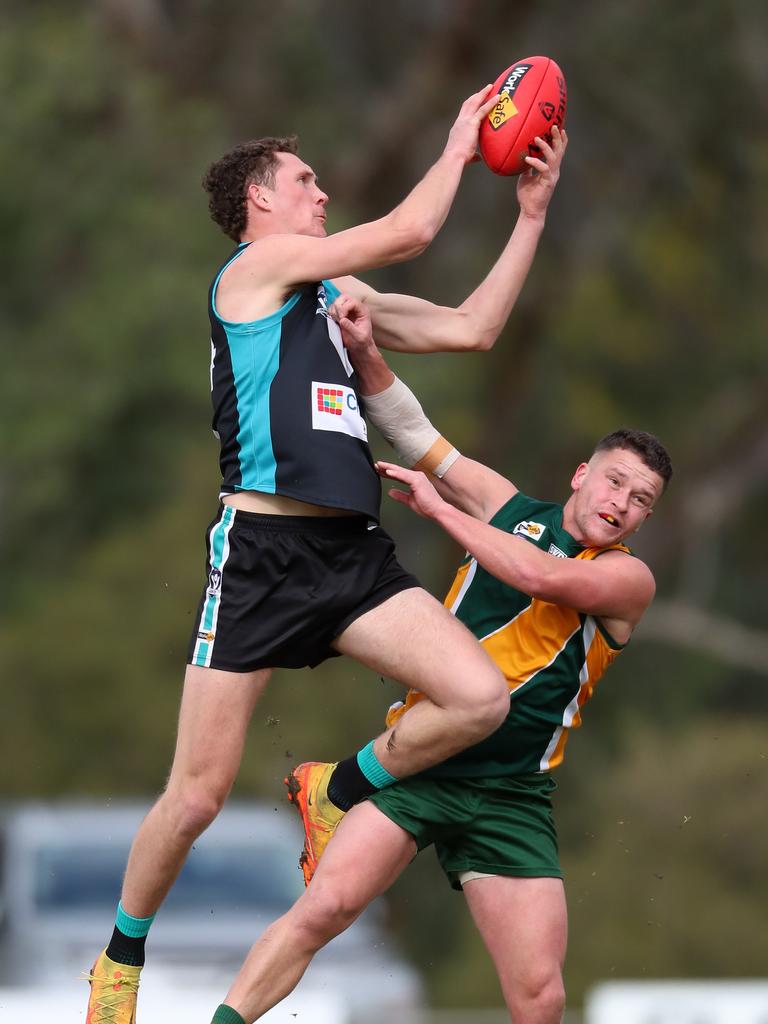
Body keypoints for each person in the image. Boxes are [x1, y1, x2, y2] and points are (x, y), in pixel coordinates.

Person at [85, 88, 568, 1024]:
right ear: (259, 202)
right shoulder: (256, 271)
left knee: (478, 698)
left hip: (350, 556)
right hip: (262, 553)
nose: (321, 193)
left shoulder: (340, 298)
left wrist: (533, 215)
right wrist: (462, 144)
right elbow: (413, 228)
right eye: (304, 182)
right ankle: (118, 964)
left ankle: (335, 789)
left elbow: (472, 328)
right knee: (195, 798)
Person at [207, 298, 672, 1024]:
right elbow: (416, 431)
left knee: (540, 995)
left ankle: (338, 786)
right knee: (322, 910)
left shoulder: (627, 580)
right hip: (418, 764)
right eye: (615, 481)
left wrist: (443, 511)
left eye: (641, 500)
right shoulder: (509, 505)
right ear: (583, 474)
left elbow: (543, 579)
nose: (622, 503)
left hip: (513, 793)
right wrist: (364, 353)